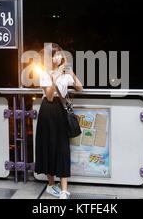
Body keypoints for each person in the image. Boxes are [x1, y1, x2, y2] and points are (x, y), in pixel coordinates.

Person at [35, 43, 83, 199]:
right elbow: (49, 96)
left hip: (60, 110)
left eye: (60, 54)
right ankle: (50, 185)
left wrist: (71, 73)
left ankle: (64, 190)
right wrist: (56, 74)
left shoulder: (65, 71)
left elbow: (79, 87)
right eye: (55, 55)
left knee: (62, 147)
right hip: (48, 109)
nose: (59, 57)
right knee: (48, 146)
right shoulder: (44, 73)